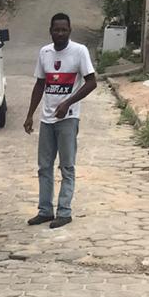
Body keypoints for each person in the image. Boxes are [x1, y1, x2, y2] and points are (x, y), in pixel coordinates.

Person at [23, 12, 98, 228]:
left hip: (68, 118)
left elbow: (91, 82)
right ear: (51, 31)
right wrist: (30, 115)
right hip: (47, 120)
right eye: (56, 30)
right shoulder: (44, 53)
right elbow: (40, 85)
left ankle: (64, 211)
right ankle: (45, 210)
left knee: (67, 166)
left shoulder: (79, 52)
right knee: (44, 166)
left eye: (64, 29)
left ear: (70, 31)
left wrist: (68, 103)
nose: (60, 33)